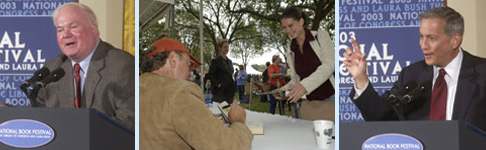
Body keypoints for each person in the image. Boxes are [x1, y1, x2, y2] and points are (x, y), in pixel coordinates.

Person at [343, 6, 486, 131]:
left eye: (431, 38)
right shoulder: (411, 75)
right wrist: (361, 78)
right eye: (421, 37)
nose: (423, 45)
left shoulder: (482, 73)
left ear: (455, 40)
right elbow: (380, 118)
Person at [35, 3, 134, 131]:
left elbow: (130, 121)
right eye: (60, 30)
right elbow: (37, 115)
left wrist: (80, 130)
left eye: (73, 26)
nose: (66, 34)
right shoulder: (52, 69)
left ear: (93, 29)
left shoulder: (122, 65)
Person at [139, 38, 253, 149]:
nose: (190, 73)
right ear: (173, 60)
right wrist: (238, 122)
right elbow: (231, 147)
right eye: (189, 64)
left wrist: (204, 118)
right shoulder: (179, 92)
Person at [280, 7, 335, 121]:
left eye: (290, 25)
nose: (287, 30)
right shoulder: (290, 51)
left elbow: (329, 65)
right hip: (308, 106)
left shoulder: (321, 36)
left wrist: (304, 86)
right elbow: (296, 80)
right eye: (284, 27)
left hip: (331, 101)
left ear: (301, 21)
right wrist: (282, 91)